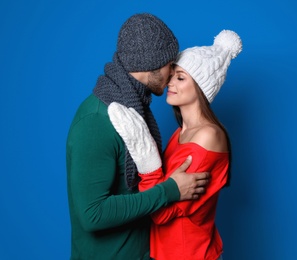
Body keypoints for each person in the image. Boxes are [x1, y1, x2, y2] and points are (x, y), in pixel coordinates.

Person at [66, 13, 210, 260]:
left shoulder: (134, 110)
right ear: (151, 64)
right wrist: (170, 191)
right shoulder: (96, 121)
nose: (173, 72)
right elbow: (93, 214)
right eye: (170, 63)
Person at [108, 30, 242, 260]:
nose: (170, 82)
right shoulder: (181, 132)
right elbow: (162, 192)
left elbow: (161, 213)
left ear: (200, 86)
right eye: (172, 75)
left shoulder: (208, 136)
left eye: (181, 77)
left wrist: (148, 161)